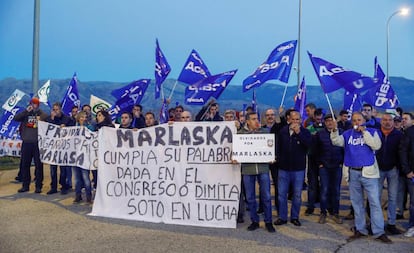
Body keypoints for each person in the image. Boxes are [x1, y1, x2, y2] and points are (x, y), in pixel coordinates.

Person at [331, 111, 392, 244]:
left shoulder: (372, 131)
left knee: (374, 202)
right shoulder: (347, 134)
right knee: (357, 203)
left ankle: (379, 231)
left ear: (364, 120)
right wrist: (335, 130)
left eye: (359, 120)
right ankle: (360, 229)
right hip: (353, 172)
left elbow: (376, 145)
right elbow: (336, 141)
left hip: (368, 172)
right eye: (354, 120)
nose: (356, 122)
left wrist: (364, 132)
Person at [236, 112, 275, 233]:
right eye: (253, 119)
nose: (256, 121)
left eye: (257, 118)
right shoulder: (240, 134)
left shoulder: (264, 132)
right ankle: (255, 221)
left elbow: (269, 147)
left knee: (266, 196)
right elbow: (237, 150)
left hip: (263, 168)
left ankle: (268, 221)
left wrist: (271, 156)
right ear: (247, 121)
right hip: (248, 169)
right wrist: (235, 157)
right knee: (250, 197)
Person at [275, 110, 312, 227]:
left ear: (300, 120)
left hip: (298, 169)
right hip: (283, 169)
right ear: (289, 120)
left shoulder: (305, 132)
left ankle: (295, 217)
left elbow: (309, 145)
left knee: (296, 195)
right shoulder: (283, 132)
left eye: (298, 119)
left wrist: (299, 133)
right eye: (293, 119)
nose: (295, 121)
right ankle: (282, 217)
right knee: (281, 195)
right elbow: (278, 147)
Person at [14, 97, 48, 193]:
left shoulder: (42, 114)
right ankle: (25, 185)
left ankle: (38, 186)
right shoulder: (26, 114)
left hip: (37, 143)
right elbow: (16, 118)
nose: (33, 105)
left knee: (38, 165)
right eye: (32, 103)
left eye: (35, 104)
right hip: (26, 142)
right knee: (25, 164)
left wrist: (40, 118)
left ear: (38, 105)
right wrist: (26, 111)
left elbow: (47, 120)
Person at [376, 113, 403, 235]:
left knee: (392, 197)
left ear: (393, 122)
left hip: (393, 169)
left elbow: (402, 152)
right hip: (378, 169)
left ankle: (391, 223)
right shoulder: (375, 133)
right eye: (385, 120)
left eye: (390, 120)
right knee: (375, 197)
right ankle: (375, 223)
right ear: (381, 121)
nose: (387, 122)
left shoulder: (399, 135)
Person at [315, 114, 344, 224]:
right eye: (327, 121)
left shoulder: (341, 133)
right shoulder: (320, 134)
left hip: (337, 166)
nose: (330, 123)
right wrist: (320, 163)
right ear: (325, 122)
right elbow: (315, 150)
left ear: (336, 121)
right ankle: (323, 212)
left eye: (332, 120)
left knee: (336, 190)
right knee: (324, 190)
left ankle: (335, 213)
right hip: (324, 166)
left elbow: (345, 149)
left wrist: (342, 162)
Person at [45, 102, 72, 195]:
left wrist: (66, 127)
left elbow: (72, 130)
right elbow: (47, 130)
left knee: (63, 169)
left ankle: (64, 186)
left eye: (57, 109)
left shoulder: (67, 119)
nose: (55, 111)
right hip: (53, 148)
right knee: (53, 169)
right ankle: (53, 187)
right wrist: (52, 119)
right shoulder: (49, 119)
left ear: (60, 109)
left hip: (63, 148)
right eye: (54, 109)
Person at [305, 108, 325, 216]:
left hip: (323, 159)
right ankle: (310, 206)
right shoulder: (309, 129)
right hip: (312, 158)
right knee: (312, 184)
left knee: (324, 184)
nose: (318, 118)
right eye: (316, 115)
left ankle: (324, 207)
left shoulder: (326, 129)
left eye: (320, 115)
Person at [72, 111, 93, 204]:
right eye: (81, 117)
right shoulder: (73, 128)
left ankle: (89, 196)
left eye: (85, 117)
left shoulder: (90, 127)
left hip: (85, 156)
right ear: (78, 118)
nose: (83, 119)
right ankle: (78, 196)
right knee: (77, 178)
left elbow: (91, 136)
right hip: (75, 156)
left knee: (86, 177)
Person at [399, 113, 414, 237]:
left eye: (406, 119)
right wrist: (407, 170)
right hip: (410, 173)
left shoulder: (409, 132)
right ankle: (412, 226)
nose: (403, 121)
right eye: (402, 119)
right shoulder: (407, 133)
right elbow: (403, 152)